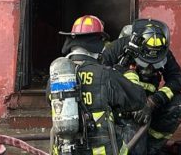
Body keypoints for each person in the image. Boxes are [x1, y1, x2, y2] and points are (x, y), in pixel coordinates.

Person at [48, 15, 146, 155]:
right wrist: (131, 74)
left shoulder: (56, 75)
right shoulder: (105, 74)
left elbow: (51, 101)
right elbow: (138, 100)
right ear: (96, 43)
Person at [101, 19, 181, 155]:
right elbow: (100, 73)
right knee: (133, 148)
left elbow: (177, 79)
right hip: (121, 108)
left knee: (179, 104)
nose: (149, 67)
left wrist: (153, 101)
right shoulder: (118, 48)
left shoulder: (163, 51)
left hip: (147, 105)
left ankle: (152, 147)